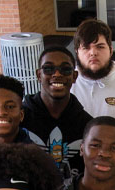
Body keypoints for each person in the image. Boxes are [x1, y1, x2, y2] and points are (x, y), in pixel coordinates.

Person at [22, 46, 92, 174]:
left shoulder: (87, 125)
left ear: (74, 76)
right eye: (48, 69)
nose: (57, 74)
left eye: (65, 69)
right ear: (39, 75)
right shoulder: (20, 117)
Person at [70, 19, 115, 129]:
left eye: (100, 46)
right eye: (86, 47)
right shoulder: (68, 88)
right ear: (77, 52)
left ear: (111, 50)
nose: (93, 52)